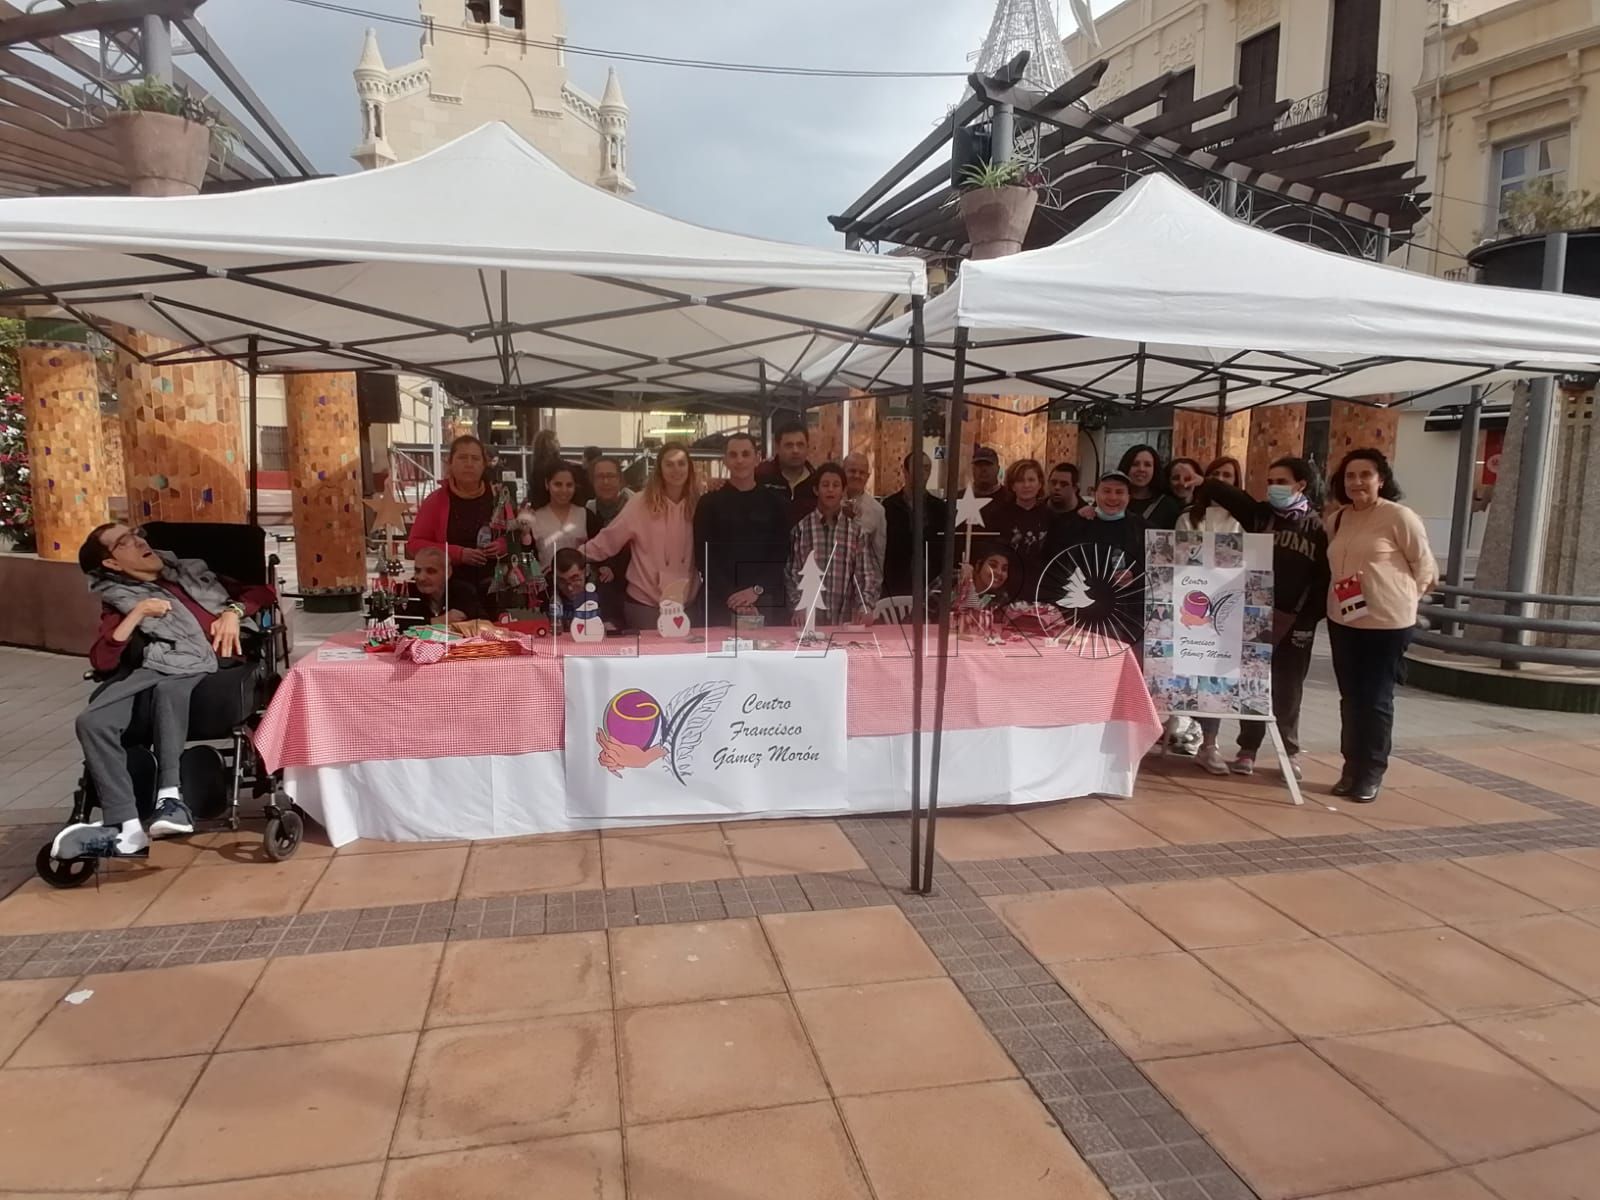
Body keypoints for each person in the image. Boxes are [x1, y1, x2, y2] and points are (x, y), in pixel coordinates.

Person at [56, 523, 274, 860]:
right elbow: (103, 659)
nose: (139, 541)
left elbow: (262, 593)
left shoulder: (191, 574)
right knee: (91, 721)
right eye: (124, 542)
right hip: (152, 669)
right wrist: (140, 611)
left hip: (210, 666)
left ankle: (170, 798)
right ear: (112, 564)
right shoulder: (120, 599)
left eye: (136, 534)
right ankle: (125, 827)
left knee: (170, 689)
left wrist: (233, 612)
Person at [1191, 457, 1330, 781]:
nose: (1273, 488)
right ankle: (1247, 749)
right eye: (1269, 481)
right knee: (1251, 684)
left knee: (1287, 690)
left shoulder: (1317, 528)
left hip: (1294, 620)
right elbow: (1220, 490)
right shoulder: (1260, 515)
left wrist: (1308, 619)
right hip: (1252, 614)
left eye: (1281, 481)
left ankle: (1290, 752)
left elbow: (1323, 578)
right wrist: (1200, 480)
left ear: (1301, 485)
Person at [1326, 448, 1437, 803]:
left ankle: (1371, 770)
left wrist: (1403, 599)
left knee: (1375, 699)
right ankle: (1350, 766)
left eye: (1365, 475)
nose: (1357, 482)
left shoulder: (1399, 517)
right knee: (1350, 698)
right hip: (1344, 620)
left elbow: (1425, 568)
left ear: (1381, 479)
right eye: (1350, 476)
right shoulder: (1338, 519)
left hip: (1387, 624)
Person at [1175, 461, 1248, 775]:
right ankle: (1181, 731)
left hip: (1230, 608)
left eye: (1227, 477)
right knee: (1191, 675)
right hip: (1192, 609)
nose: (1220, 482)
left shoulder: (1244, 521)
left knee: (1217, 679)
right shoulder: (1187, 518)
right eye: (1215, 476)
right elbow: (1179, 561)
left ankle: (1211, 743)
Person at [583, 442, 701, 630]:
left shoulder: (699, 504)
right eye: (669, 464)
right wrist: (572, 557)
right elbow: (609, 540)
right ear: (660, 469)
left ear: (689, 468)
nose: (676, 470)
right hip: (644, 606)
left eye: (681, 463)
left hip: (687, 606)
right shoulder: (639, 503)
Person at [694, 432, 790, 626]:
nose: (740, 460)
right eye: (733, 455)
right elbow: (702, 556)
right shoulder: (708, 503)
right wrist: (731, 595)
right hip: (719, 600)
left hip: (765, 599)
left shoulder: (775, 503)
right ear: (725, 461)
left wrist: (755, 590)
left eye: (746, 454)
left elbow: (781, 554)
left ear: (757, 458)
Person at [1042, 471, 1148, 646]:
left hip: (1127, 617)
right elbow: (1055, 564)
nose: (1112, 497)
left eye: (1119, 492)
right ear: (1095, 493)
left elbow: (1156, 566)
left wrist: (1135, 574)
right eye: (1106, 491)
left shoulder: (1141, 528)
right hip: (1081, 615)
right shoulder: (1075, 523)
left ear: (1129, 496)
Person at [407, 434, 501, 616]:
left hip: (495, 589)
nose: (469, 463)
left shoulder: (499, 497)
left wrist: (501, 546)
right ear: (450, 463)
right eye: (462, 458)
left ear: (484, 464)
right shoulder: (436, 501)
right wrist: (458, 554)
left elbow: (514, 537)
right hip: (451, 594)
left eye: (475, 458)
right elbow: (414, 546)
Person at [788, 463, 881, 627]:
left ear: (843, 490)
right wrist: (798, 604)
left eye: (836, 485)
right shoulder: (802, 529)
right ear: (816, 490)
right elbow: (793, 572)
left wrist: (865, 605)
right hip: (809, 621)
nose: (830, 490)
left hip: (845, 621)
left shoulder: (856, 532)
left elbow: (865, 574)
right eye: (825, 485)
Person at [882, 451, 948, 599]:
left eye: (926, 468)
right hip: (896, 582)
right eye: (918, 468)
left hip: (931, 583)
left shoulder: (939, 509)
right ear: (905, 471)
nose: (923, 473)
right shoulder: (889, 507)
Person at [989, 458, 1052, 600]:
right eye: (1020, 480)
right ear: (1012, 486)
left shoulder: (1050, 516)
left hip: (1040, 587)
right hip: (1006, 586)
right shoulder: (999, 515)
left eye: (1031, 480)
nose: (1026, 485)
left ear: (1040, 484)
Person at [397, 545, 483, 626]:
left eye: (431, 571)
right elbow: (396, 624)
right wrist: (435, 621)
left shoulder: (464, 591)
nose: (421, 578)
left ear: (448, 573)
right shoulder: (406, 591)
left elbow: (482, 622)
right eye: (418, 571)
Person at [529, 463, 600, 559]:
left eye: (569, 485)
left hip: (580, 573)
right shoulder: (534, 517)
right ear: (547, 484)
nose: (564, 490)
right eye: (558, 484)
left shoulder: (586, 515)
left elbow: (598, 551)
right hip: (543, 573)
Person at [756, 419, 818, 525]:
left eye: (800, 445)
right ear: (777, 447)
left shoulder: (817, 481)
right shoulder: (761, 476)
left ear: (807, 447)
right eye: (789, 445)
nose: (795, 450)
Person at [842, 452, 887, 580]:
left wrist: (876, 586)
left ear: (867, 476)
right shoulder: (829, 503)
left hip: (861, 583)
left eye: (862, 472)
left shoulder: (877, 511)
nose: (857, 476)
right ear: (842, 472)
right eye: (852, 471)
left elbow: (878, 555)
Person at [1119, 444, 1182, 529]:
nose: (1141, 469)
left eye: (1147, 465)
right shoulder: (1112, 500)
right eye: (1135, 464)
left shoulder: (1168, 506)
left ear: (1155, 469)